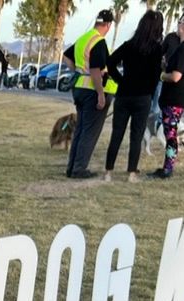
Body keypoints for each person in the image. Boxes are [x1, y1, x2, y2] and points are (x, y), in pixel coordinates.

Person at [103, 9, 164, 182]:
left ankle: (108, 172)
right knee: (136, 136)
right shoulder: (156, 49)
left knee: (117, 133)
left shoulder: (128, 45)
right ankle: (131, 172)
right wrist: (150, 91)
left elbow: (110, 62)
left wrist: (120, 80)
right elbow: (155, 75)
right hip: (142, 96)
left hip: (123, 94)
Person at [64, 8, 117, 179]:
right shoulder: (99, 42)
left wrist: (79, 71)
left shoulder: (84, 38)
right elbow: (95, 69)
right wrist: (101, 94)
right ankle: (79, 169)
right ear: (108, 25)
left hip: (79, 88)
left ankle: (72, 167)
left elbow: (66, 56)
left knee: (80, 129)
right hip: (91, 91)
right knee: (89, 131)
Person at [152, 9, 184, 179]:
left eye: (180, 22)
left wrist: (161, 75)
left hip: (175, 97)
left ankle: (168, 168)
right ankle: (168, 165)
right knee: (170, 132)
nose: (178, 24)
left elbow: (176, 76)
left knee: (171, 133)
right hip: (179, 96)